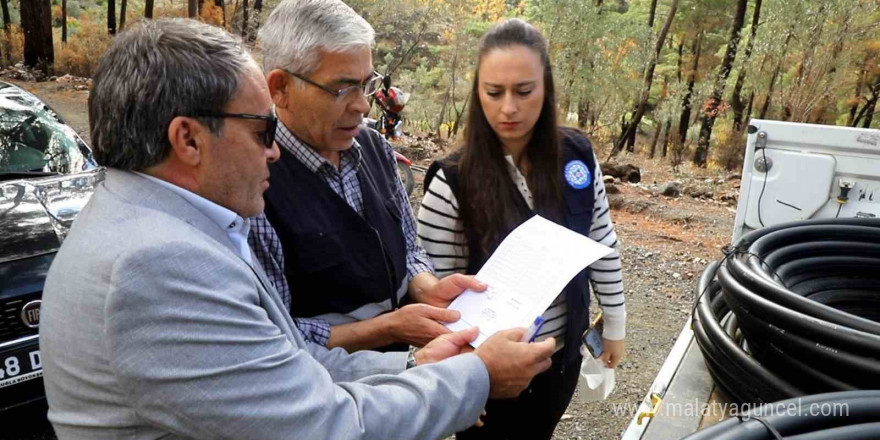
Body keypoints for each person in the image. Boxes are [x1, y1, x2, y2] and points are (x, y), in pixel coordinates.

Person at [39, 19, 556, 440]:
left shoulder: (159, 225)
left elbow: (283, 370)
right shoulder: (158, 266)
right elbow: (321, 423)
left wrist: (415, 363)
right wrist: (477, 376)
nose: (275, 150)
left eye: (366, 86)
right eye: (262, 130)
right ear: (188, 140)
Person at [418, 19, 627, 440]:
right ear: (478, 92)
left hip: (559, 360)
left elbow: (600, 239)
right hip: (489, 372)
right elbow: (435, 289)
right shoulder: (452, 180)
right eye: (494, 93)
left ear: (546, 87)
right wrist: (455, 380)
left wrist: (616, 325)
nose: (508, 108)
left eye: (524, 91)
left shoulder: (577, 157)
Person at [248, 0, 462, 352]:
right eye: (342, 88)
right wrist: (388, 329)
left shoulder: (373, 146)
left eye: (366, 85)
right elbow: (275, 334)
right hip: (329, 393)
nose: (362, 105)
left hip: (400, 379)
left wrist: (426, 287)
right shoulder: (255, 182)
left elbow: (408, 245)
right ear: (280, 88)